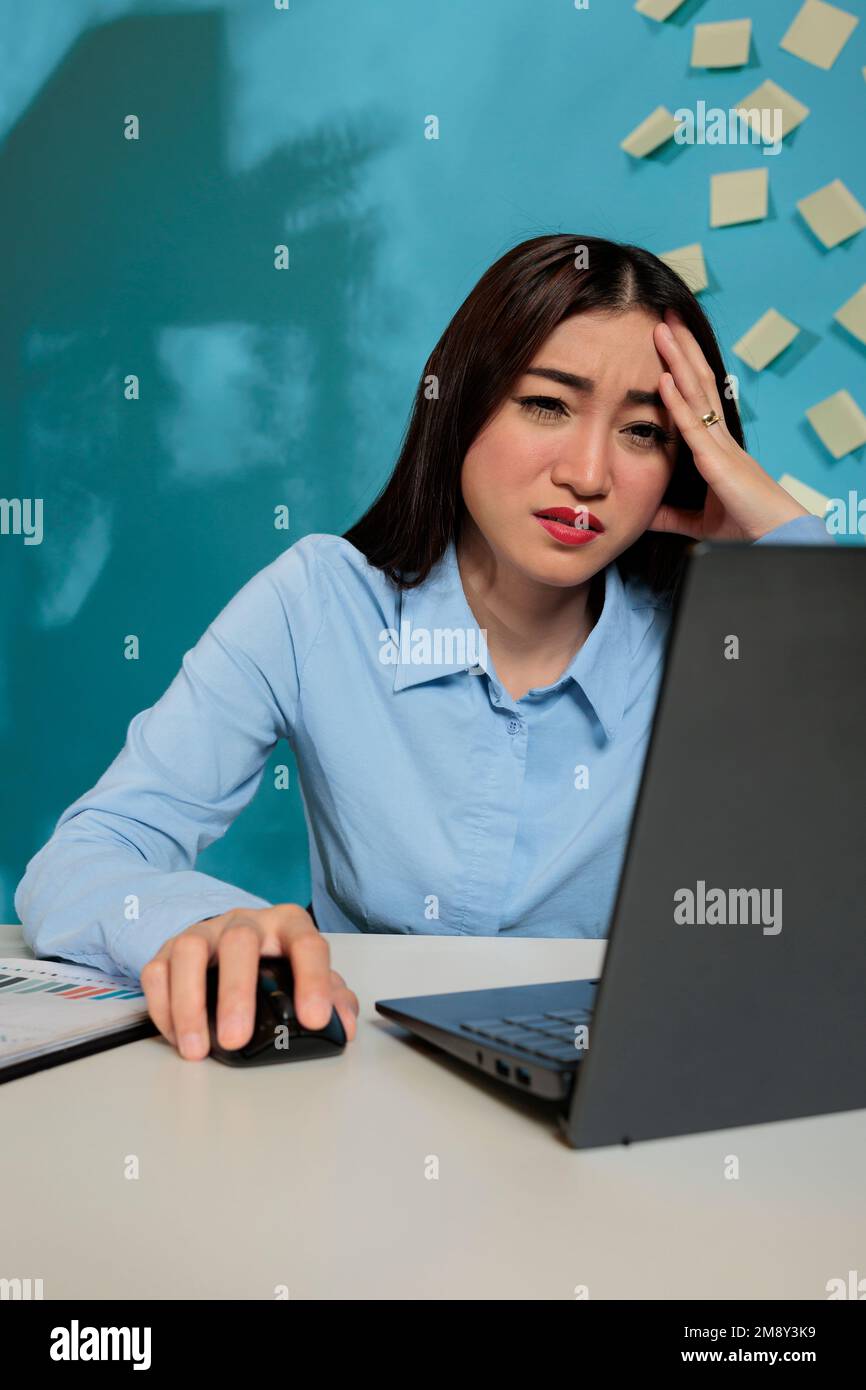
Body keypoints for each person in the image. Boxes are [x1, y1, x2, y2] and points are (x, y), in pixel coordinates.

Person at [15, 234, 833, 1061]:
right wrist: (202, 926)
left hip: (619, 1090)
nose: (589, 475)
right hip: (357, 1096)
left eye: (644, 432)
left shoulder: (712, 641)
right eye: (547, 404)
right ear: (462, 401)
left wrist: (784, 543)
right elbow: (84, 857)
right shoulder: (317, 604)